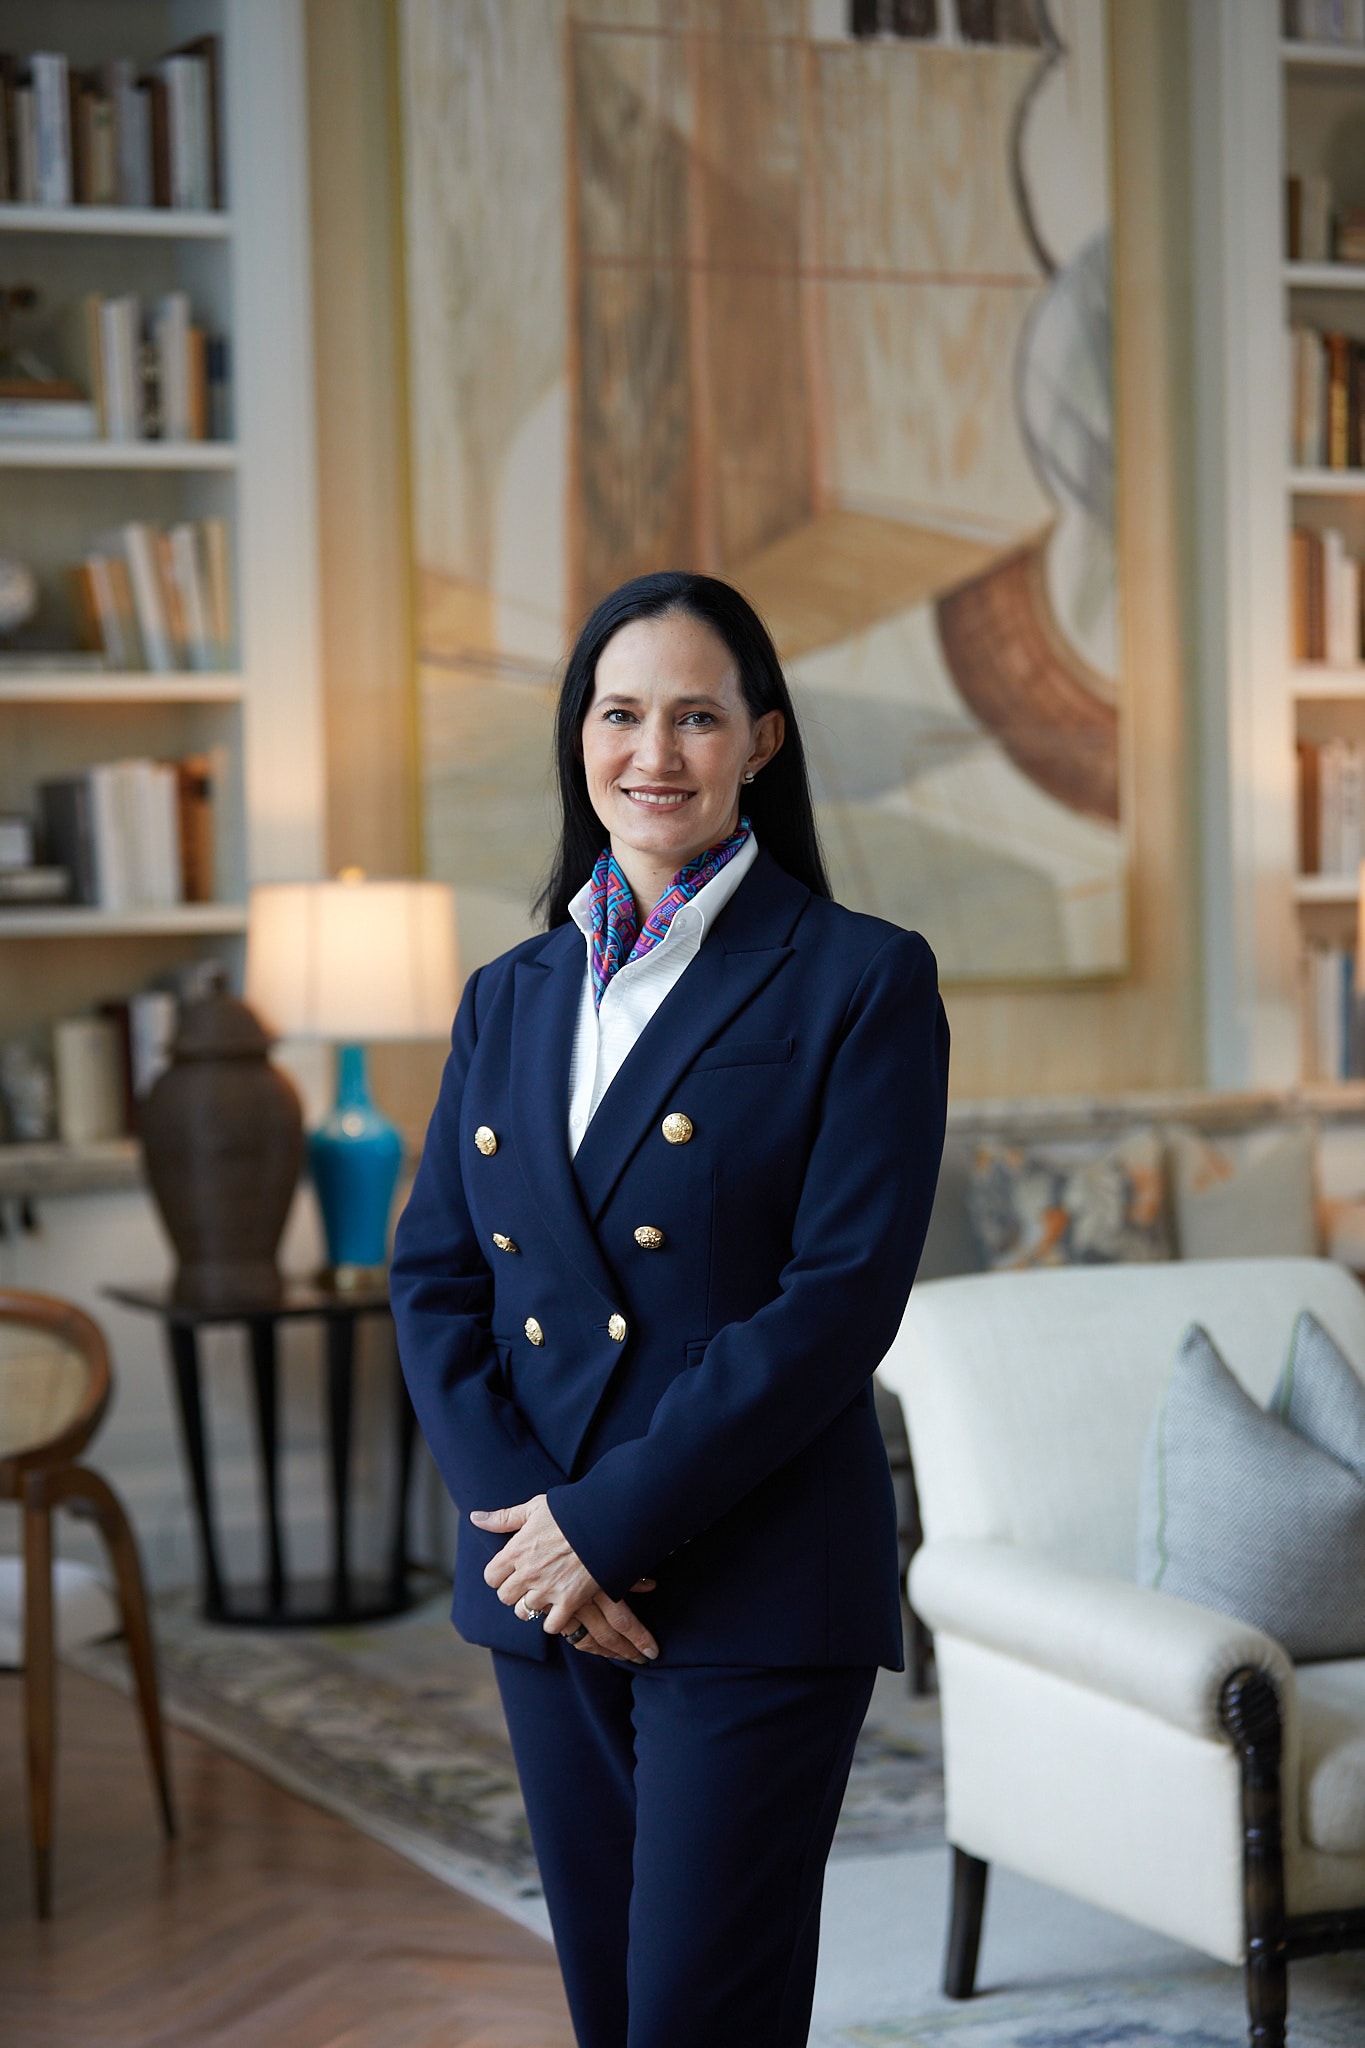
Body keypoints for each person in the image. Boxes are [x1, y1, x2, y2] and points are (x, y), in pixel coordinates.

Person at [390, 570, 949, 2048]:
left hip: (751, 1578)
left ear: (761, 739)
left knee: (700, 2017)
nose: (655, 751)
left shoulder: (858, 979)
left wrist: (607, 1528)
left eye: (696, 716)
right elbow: (436, 1278)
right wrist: (532, 1533)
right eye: (620, 712)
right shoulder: (508, 993)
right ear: (579, 734)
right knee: (610, 2009)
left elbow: (835, 1308)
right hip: (547, 1587)